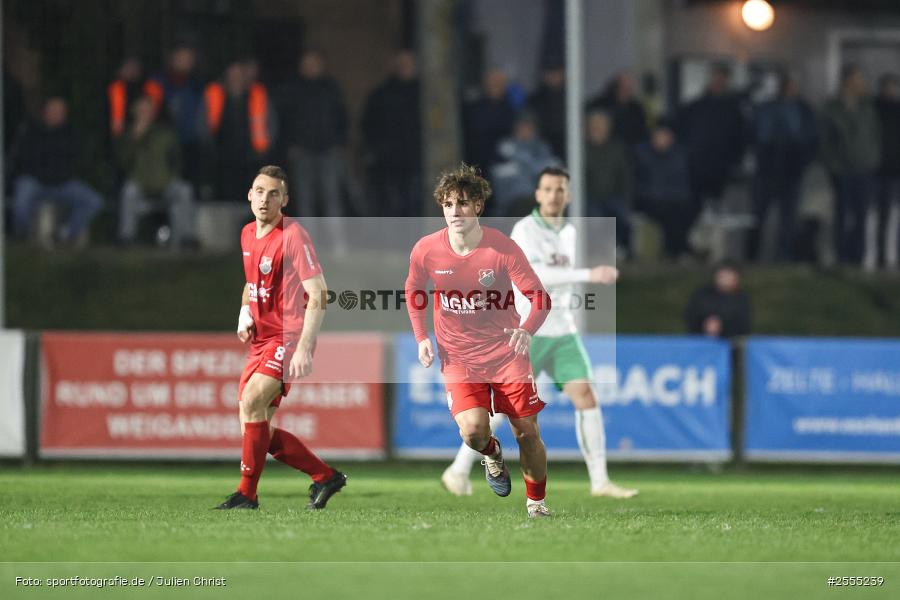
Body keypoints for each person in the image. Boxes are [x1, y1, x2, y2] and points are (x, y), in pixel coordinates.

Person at [440, 166, 638, 500]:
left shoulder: (570, 232)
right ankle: (458, 470)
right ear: (538, 194)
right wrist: (590, 273)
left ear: (568, 195)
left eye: (560, 189)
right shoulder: (525, 230)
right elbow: (536, 276)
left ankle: (600, 482)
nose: (554, 195)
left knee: (586, 396)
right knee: (508, 412)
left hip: (562, 332)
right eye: (547, 189)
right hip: (523, 332)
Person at [405, 164, 553, 518]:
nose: (455, 211)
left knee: (527, 432)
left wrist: (526, 329)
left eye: (463, 203)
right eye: (448, 204)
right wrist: (422, 337)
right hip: (458, 357)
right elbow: (413, 290)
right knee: (472, 432)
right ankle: (491, 454)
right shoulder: (427, 250)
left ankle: (536, 503)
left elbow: (540, 298)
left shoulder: (501, 249)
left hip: (506, 354)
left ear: (478, 207)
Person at [215, 165, 347, 510]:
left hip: (287, 338)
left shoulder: (293, 234)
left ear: (284, 200)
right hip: (261, 339)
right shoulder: (247, 234)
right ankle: (325, 476)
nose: (265, 199)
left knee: (251, 402)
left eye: (274, 193)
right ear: (249, 195)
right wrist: (244, 313)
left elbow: (319, 292)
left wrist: (305, 346)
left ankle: (247, 494)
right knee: (258, 427)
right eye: (259, 191)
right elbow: (251, 284)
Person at [10, 97, 103, 244]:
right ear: (44, 112)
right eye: (52, 110)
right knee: (22, 196)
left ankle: (66, 234)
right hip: (35, 181)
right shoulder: (31, 131)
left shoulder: (71, 133)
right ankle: (23, 236)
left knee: (93, 201)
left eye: (59, 111)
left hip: (62, 184)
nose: (55, 114)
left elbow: (78, 161)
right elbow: (21, 158)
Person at [747, 72, 818, 262]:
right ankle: (752, 256)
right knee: (758, 216)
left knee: (788, 218)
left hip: (791, 170)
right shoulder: (766, 109)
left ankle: (785, 256)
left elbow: (811, 140)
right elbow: (755, 136)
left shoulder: (803, 110)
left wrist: (802, 162)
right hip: (767, 169)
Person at [116, 95, 196, 247]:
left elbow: (176, 160)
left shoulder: (165, 133)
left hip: (164, 182)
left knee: (184, 190)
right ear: (134, 111)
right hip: (139, 183)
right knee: (128, 192)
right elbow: (123, 161)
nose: (144, 114)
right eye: (141, 110)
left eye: (148, 110)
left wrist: (171, 175)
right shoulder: (127, 134)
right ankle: (126, 237)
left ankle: (186, 237)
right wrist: (135, 138)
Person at [820, 65, 881, 265]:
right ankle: (841, 257)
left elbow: (875, 135)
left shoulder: (868, 107)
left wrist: (873, 159)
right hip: (841, 170)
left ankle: (858, 256)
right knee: (842, 215)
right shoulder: (832, 107)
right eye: (855, 80)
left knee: (862, 215)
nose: (859, 84)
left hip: (864, 168)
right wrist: (832, 165)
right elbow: (824, 139)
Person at [202, 59, 276, 201]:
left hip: (251, 159)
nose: (235, 78)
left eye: (239, 74)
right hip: (221, 159)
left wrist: (265, 148)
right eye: (232, 75)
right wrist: (208, 147)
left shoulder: (257, 95)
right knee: (224, 197)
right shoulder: (216, 94)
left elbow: (271, 123)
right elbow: (203, 123)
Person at [361, 50, 422, 217]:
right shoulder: (382, 94)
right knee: (391, 204)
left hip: (416, 158)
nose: (405, 68)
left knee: (415, 202)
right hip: (389, 161)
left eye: (408, 64)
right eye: (401, 64)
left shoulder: (423, 94)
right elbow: (369, 124)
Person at [634, 119, 694, 259]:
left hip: (674, 199)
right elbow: (639, 182)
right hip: (648, 199)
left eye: (664, 135)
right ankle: (681, 249)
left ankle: (676, 250)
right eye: (658, 135)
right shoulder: (641, 154)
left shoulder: (680, 155)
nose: (661, 139)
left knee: (682, 212)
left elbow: (683, 183)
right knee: (671, 214)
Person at [490, 112, 560, 216]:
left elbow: (550, 169)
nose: (525, 130)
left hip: (538, 200)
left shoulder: (542, 147)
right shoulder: (504, 148)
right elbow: (498, 177)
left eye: (529, 127)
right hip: (511, 203)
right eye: (522, 127)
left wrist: (520, 159)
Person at [584, 110, 633, 255]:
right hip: (590, 198)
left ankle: (622, 250)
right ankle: (602, 252)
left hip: (613, 196)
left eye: (601, 126)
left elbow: (625, 178)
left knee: (624, 216)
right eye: (595, 126)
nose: (598, 130)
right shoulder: (581, 150)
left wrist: (626, 201)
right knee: (596, 217)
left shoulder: (617, 149)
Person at [462, 69, 517, 174]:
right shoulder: (474, 108)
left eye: (499, 83)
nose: (496, 87)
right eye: (493, 83)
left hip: (502, 161)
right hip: (477, 160)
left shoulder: (510, 109)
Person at [871, 73, 900, 270]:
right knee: (874, 216)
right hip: (875, 169)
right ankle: (876, 256)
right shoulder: (873, 109)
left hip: (895, 170)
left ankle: (890, 256)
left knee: (892, 216)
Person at [685, 261, 751, 339]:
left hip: (729, 342)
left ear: (736, 278)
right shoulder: (702, 294)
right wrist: (705, 324)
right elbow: (691, 315)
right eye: (722, 276)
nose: (724, 279)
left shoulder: (741, 298)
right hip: (701, 342)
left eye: (728, 276)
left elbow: (743, 325)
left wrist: (722, 326)